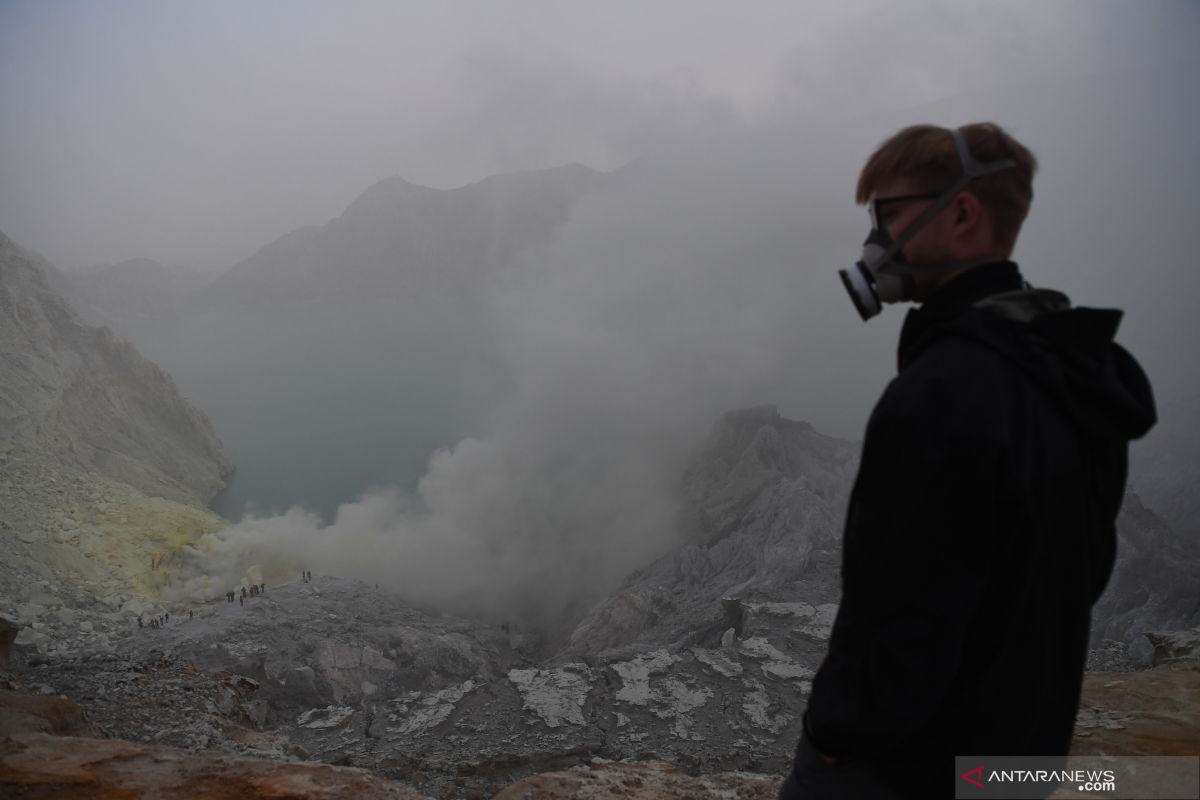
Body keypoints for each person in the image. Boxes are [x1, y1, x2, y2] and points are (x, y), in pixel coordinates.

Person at [780, 123, 1156, 799]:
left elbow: (901, 605)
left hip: (912, 769)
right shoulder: (1075, 368)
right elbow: (1082, 571)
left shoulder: (942, 391)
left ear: (960, 212)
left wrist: (839, 733)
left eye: (889, 214)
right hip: (1020, 760)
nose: (875, 240)